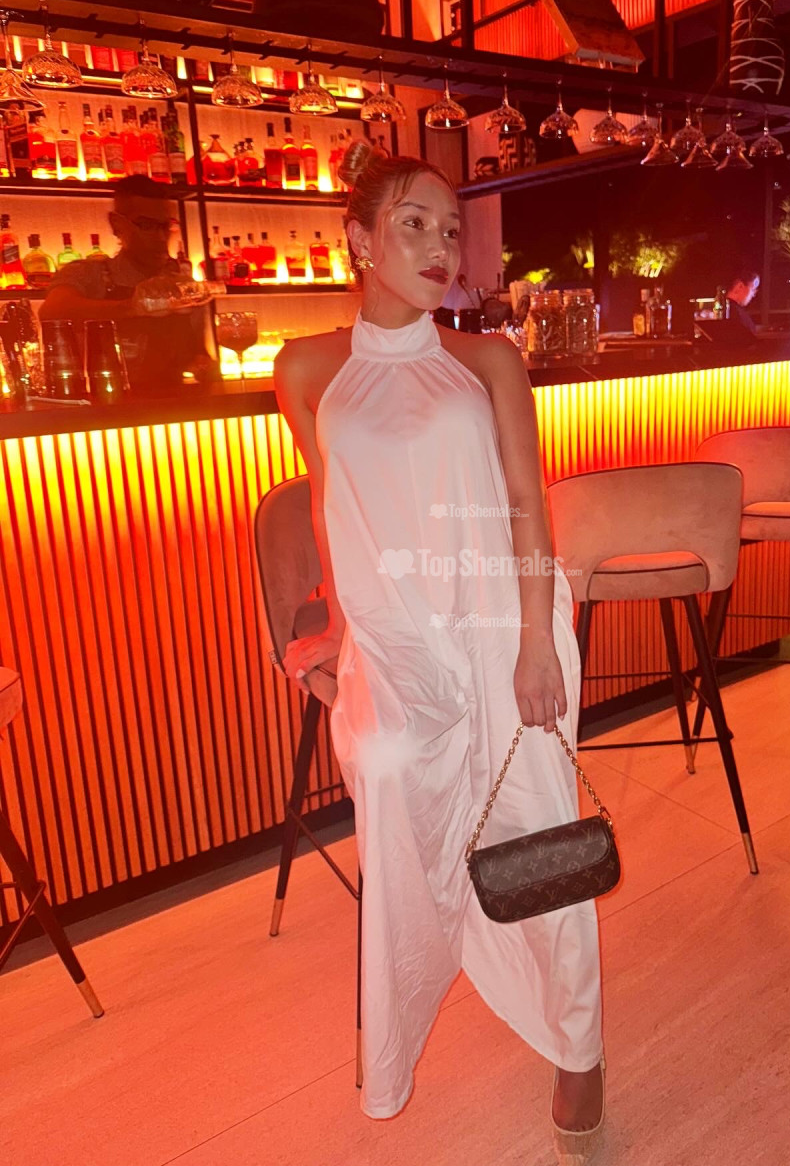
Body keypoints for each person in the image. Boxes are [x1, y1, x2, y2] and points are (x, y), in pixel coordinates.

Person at [274, 142, 606, 1164]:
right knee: (393, 799)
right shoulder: (306, 368)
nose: (439, 245)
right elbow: (332, 508)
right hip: (396, 639)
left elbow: (527, 503)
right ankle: (403, 1024)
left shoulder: (485, 359)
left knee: (539, 832)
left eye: (450, 228)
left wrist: (536, 642)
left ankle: (580, 1049)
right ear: (359, 239)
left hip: (501, 621)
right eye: (413, 223)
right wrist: (335, 630)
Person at [38, 175, 216, 396]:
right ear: (116, 224)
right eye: (147, 225)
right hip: (100, 410)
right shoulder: (88, 274)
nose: (161, 237)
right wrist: (131, 307)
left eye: (166, 226)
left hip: (169, 411)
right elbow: (52, 312)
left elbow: (199, 359)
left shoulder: (183, 287)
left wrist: (205, 367)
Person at [724, 265, 761, 337]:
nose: (753, 295)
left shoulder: (721, 312)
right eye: (753, 289)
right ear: (740, 286)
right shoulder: (738, 315)